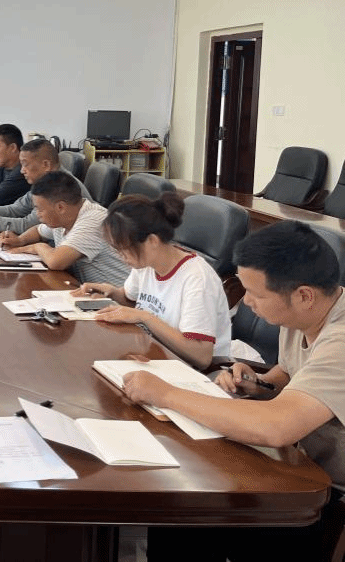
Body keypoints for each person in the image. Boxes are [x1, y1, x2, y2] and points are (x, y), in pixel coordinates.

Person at [122, 221, 345, 560]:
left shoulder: (340, 340)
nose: (247, 302)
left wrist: (164, 394)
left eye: (257, 294)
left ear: (304, 295)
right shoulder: (306, 314)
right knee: (181, 506)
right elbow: (290, 370)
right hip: (299, 458)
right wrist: (261, 383)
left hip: (326, 486)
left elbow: (276, 427)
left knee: (194, 513)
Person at [72, 193, 231, 369]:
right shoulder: (146, 264)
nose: (121, 257)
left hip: (194, 370)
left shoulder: (197, 279)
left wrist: (145, 317)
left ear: (152, 241)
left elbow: (201, 356)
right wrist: (111, 292)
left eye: (124, 249)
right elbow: (130, 299)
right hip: (155, 353)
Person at [0, 170, 130, 284]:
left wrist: (36, 247)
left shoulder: (93, 220)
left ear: (60, 207)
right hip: (91, 293)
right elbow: (38, 231)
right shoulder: (64, 218)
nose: (38, 214)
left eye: (40, 209)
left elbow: (56, 261)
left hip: (119, 299)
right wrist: (20, 240)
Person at [0, 139, 91, 233]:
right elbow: (15, 209)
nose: (22, 170)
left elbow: (27, 225)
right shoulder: (46, 182)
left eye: (25, 164)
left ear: (46, 165)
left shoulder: (61, 187)